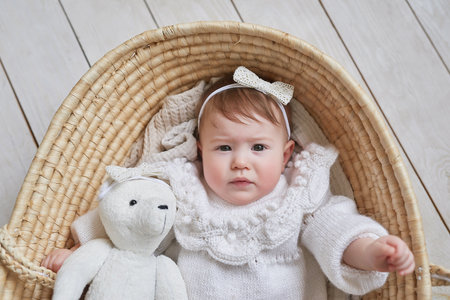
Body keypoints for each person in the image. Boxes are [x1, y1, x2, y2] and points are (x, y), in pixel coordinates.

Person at [42, 66, 415, 299]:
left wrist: (371, 252)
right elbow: (135, 226)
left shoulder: (299, 196)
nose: (240, 161)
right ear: (200, 152)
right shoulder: (184, 193)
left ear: (285, 155)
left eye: (258, 147)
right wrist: (85, 254)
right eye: (223, 147)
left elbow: (337, 231)